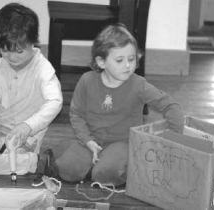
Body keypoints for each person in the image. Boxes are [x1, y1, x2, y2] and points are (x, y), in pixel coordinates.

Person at [54, 23, 184, 186]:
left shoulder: (139, 85)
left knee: (106, 173)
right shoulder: (87, 80)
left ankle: (101, 167)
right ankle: (90, 163)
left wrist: (173, 138)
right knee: (67, 169)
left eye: (131, 59)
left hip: (122, 143)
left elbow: (171, 106)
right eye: (119, 60)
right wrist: (87, 141)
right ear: (101, 62)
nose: (128, 65)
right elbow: (77, 114)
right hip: (91, 141)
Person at [0, 3, 63, 177]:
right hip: (0, 128)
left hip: (25, 138)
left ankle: (36, 162)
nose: (12, 57)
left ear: (33, 43)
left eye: (19, 51)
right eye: (5, 51)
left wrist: (27, 126)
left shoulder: (43, 69)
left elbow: (55, 102)